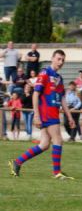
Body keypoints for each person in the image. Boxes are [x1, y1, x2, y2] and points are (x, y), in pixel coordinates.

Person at [8, 49, 76, 180]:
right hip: (46, 113)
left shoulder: (59, 78)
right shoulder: (44, 74)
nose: (61, 62)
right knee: (58, 140)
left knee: (44, 144)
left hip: (53, 113)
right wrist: (37, 115)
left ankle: (17, 162)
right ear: (52, 58)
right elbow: (35, 94)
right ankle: (57, 173)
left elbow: (62, 99)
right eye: (58, 59)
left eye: (63, 60)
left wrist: (69, 116)